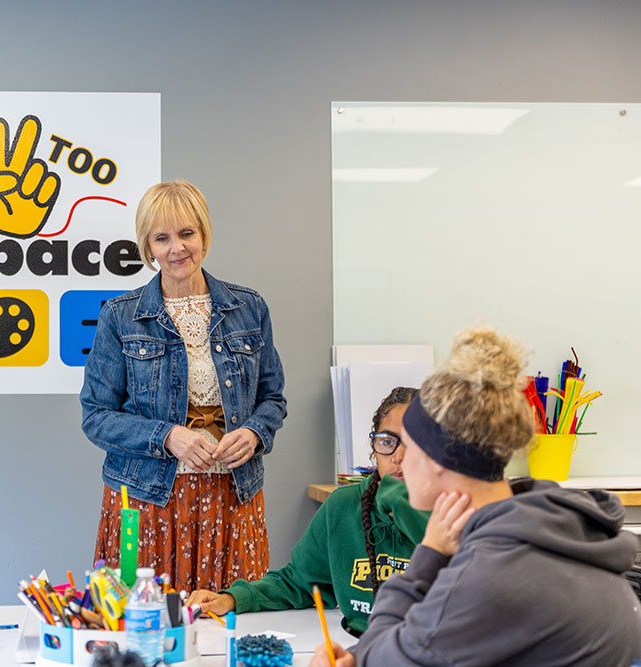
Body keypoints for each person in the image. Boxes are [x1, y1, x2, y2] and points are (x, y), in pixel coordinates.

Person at [311, 327, 641, 667]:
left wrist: (429, 553)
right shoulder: (557, 529)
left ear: (437, 461)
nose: (400, 460)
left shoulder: (485, 579)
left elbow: (381, 658)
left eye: (408, 446)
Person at [80, 180, 287, 592]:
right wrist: (167, 436)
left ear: (204, 235)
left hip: (231, 496)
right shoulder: (120, 316)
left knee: (226, 616)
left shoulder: (250, 308)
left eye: (187, 233)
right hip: (147, 499)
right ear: (148, 247)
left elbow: (272, 398)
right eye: (162, 238)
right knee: (146, 620)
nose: (177, 248)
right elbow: (96, 417)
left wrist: (253, 433)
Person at [188, 387, 429, 636]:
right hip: (359, 647)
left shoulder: (447, 513)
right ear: (374, 448)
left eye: (415, 442)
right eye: (387, 442)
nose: (399, 456)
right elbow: (298, 581)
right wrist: (232, 598)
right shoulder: (343, 505)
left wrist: (399, 500)